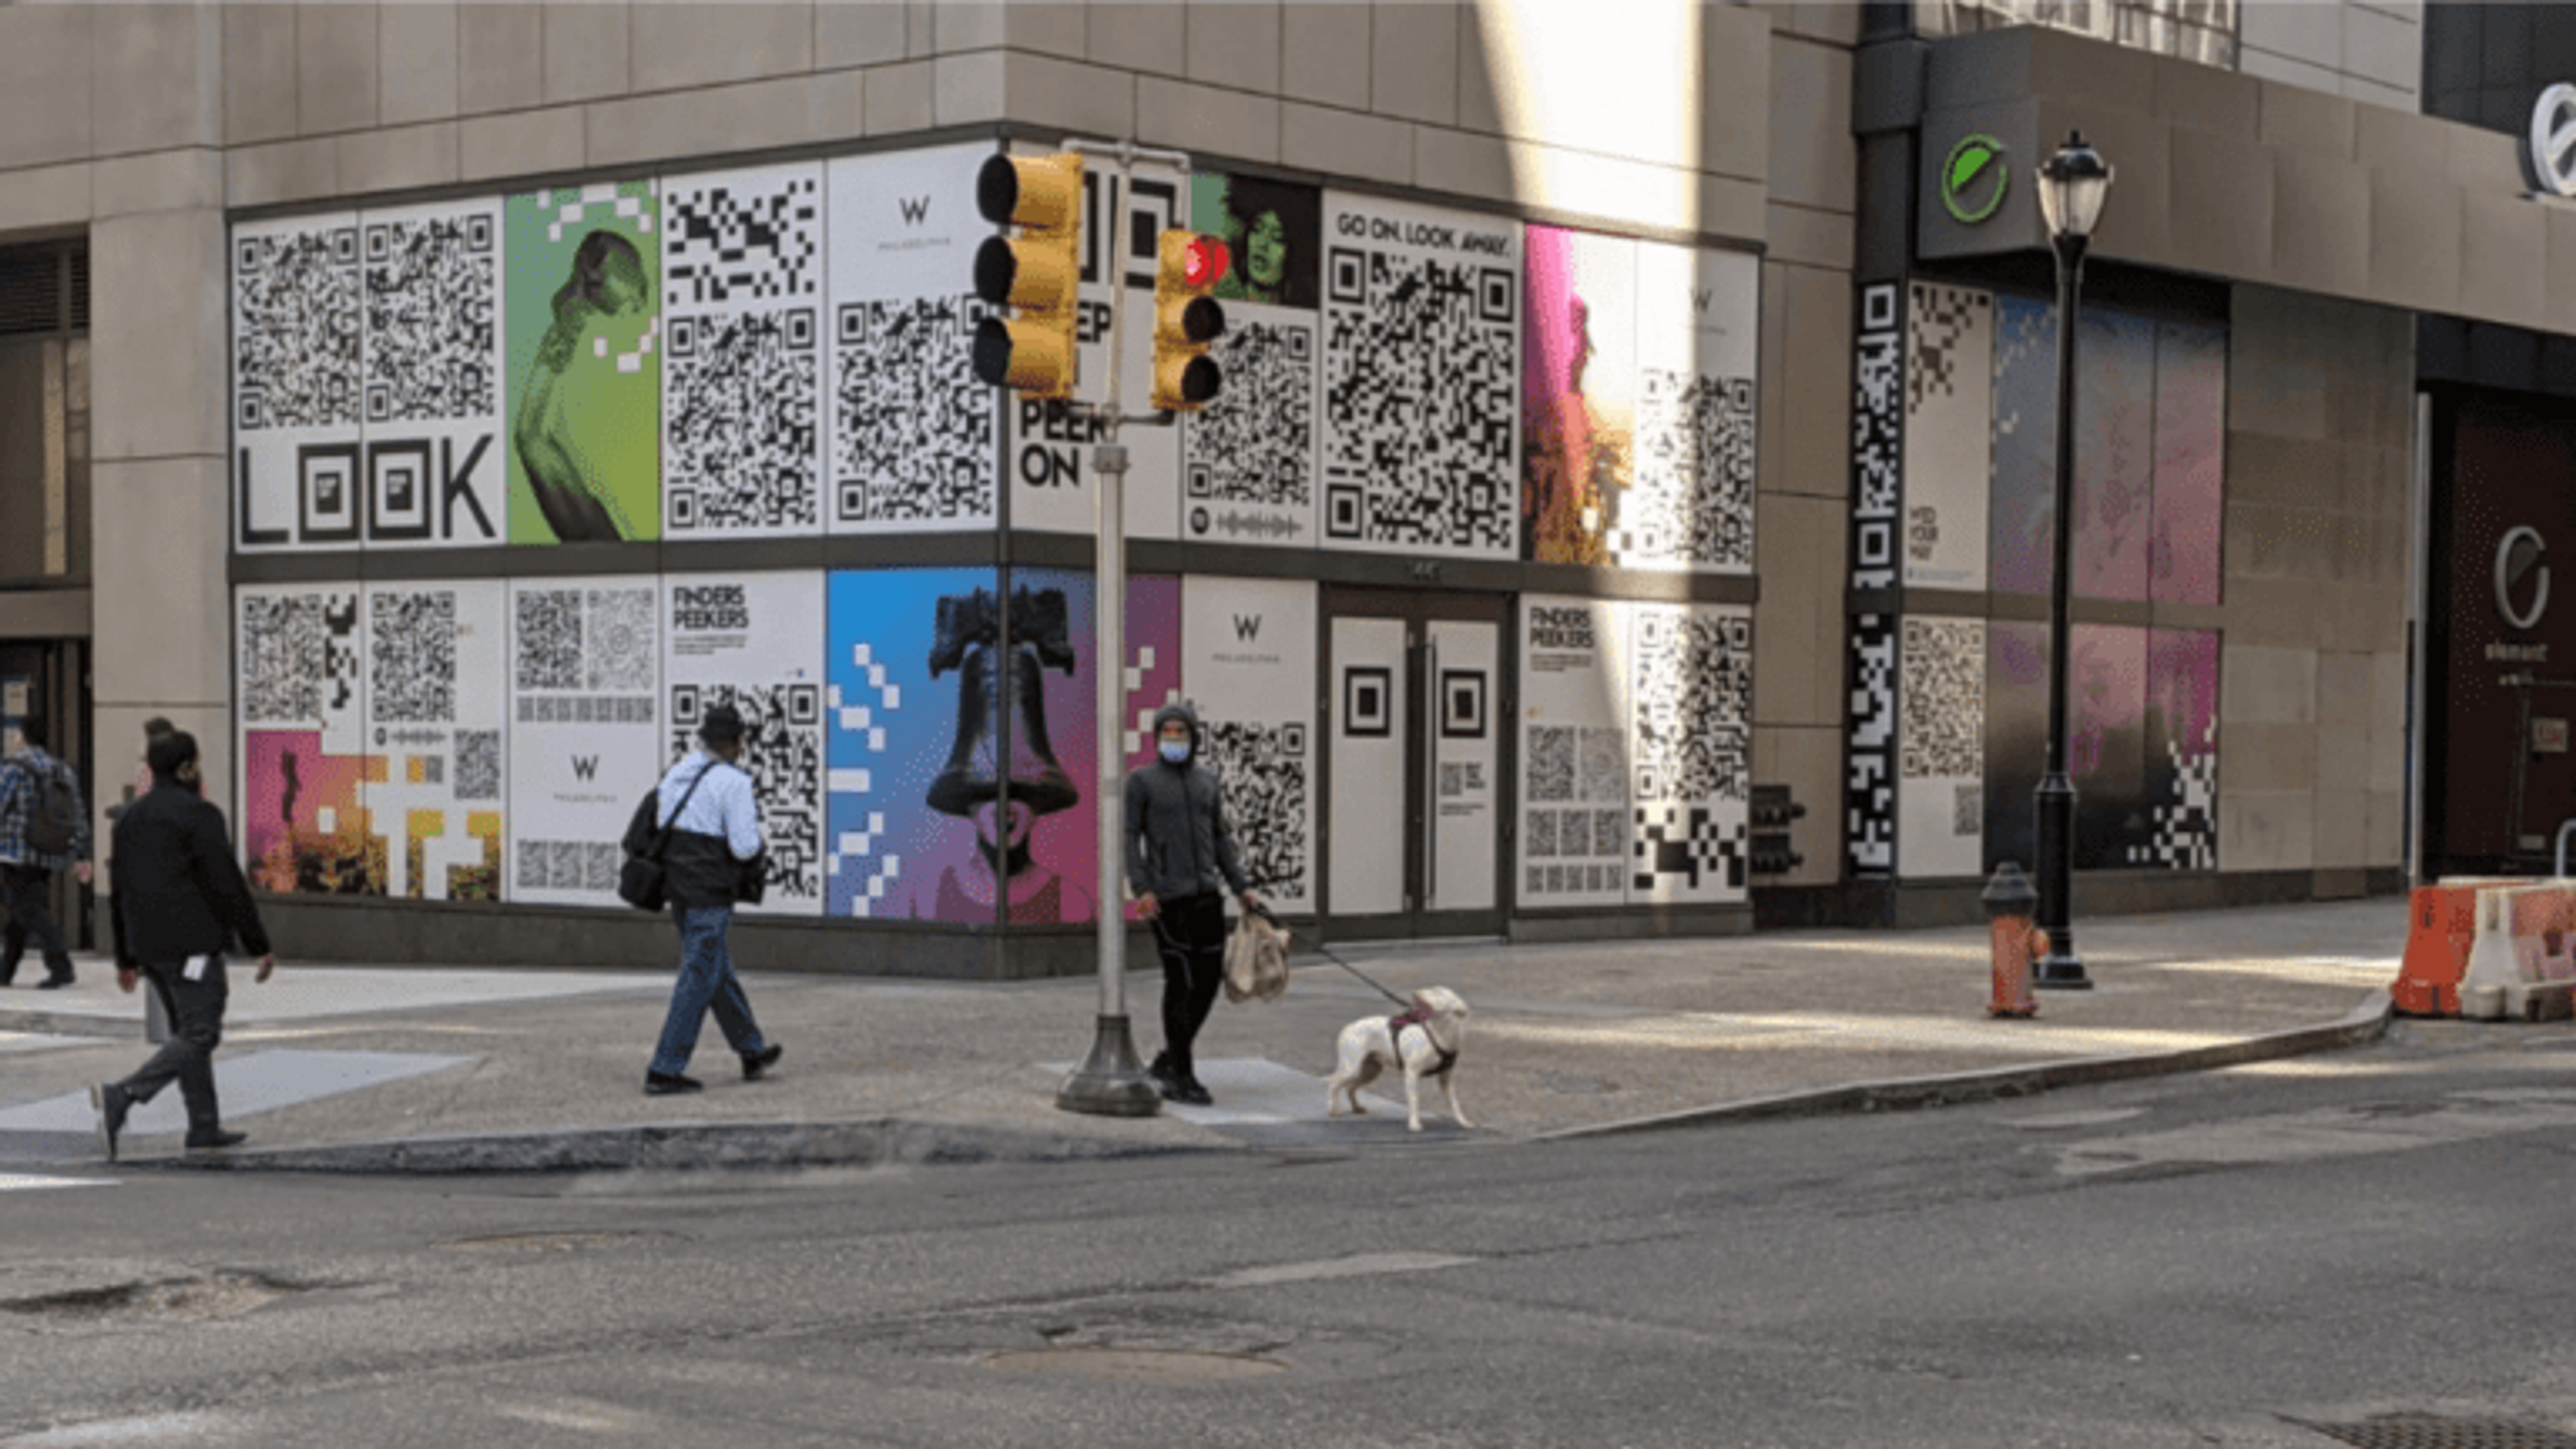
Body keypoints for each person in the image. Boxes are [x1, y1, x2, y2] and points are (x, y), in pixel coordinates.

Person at [89, 731, 274, 1159]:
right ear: (188, 767)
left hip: (150, 948)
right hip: (193, 943)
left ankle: (204, 1127)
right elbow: (226, 884)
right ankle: (124, 1094)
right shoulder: (200, 815)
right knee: (200, 1031)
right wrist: (257, 943)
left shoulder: (130, 819)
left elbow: (119, 892)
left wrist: (125, 957)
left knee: (186, 1033)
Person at [627, 702, 782, 1097]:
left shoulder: (678, 772)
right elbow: (745, 848)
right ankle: (664, 1069)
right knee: (699, 975)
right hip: (710, 889)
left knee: (715, 970)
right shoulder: (734, 783)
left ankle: (751, 1050)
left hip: (677, 889)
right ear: (734, 743)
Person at [1122, 702, 1264, 1106]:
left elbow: (1220, 838)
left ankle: (1169, 1056)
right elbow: (1131, 837)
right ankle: (1181, 1075)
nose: (1173, 739)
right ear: (1156, 737)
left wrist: (1241, 885)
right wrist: (1142, 888)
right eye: (1166, 732)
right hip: (1167, 901)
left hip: (1207, 897)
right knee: (1180, 982)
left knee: (1207, 984)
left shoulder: (1207, 781)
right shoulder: (1142, 782)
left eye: (1180, 732)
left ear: (1193, 736)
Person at [0, 717, 93, 989]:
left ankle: (61, 966)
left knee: (29, 909)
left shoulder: (14, 768)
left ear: (22, 737)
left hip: (15, 851)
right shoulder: (62, 770)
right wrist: (81, 851)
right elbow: (77, 814)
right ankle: (6, 969)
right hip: (48, 852)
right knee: (24, 908)